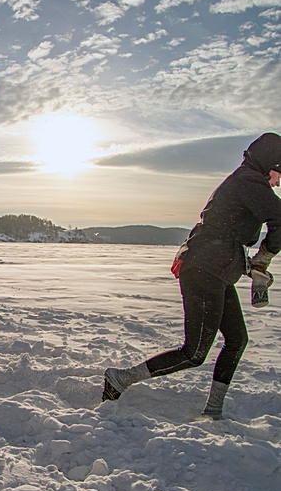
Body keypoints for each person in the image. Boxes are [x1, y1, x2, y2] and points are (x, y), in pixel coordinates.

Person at [103, 132, 281, 419]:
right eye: (279, 173)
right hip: (204, 269)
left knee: (237, 340)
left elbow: (234, 231)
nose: (278, 182)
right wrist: (265, 256)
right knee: (194, 352)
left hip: (215, 270)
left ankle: (213, 411)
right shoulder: (249, 181)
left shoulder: (247, 182)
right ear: (270, 163)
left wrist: (253, 265)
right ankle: (120, 378)